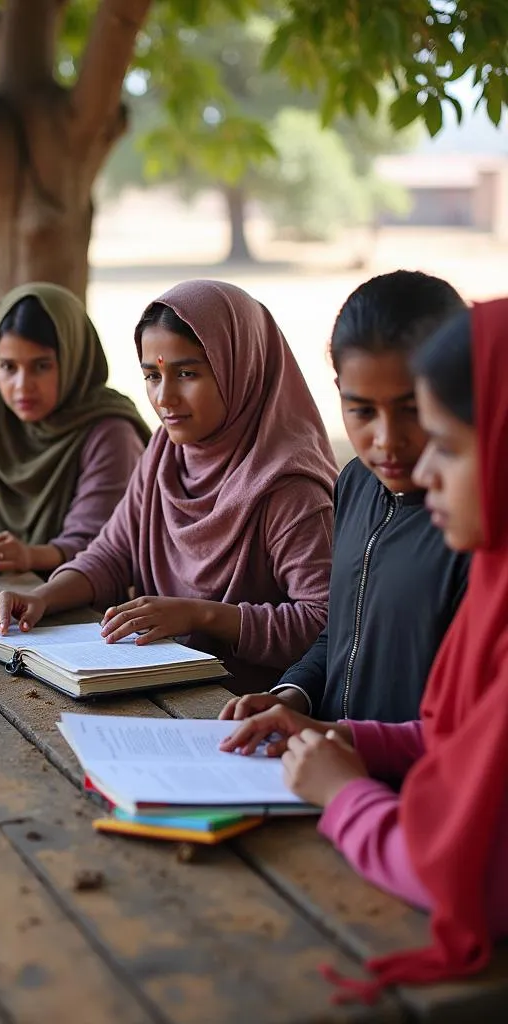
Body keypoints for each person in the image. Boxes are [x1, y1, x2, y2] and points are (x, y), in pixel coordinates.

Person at [221, 301, 508, 998]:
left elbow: (454, 868)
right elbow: (454, 736)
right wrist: (331, 729)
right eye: (362, 412)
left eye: (446, 439)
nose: (411, 458)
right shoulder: (360, 492)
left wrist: (344, 792)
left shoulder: (471, 555)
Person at [0, 280, 337, 693]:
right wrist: (44, 597)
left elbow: (325, 625)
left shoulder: (289, 486)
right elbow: (113, 553)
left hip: (246, 710)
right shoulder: (166, 453)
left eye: (187, 373)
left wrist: (201, 616)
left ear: (240, 367)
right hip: (158, 688)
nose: (165, 398)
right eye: (152, 375)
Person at [220, 271, 469, 725]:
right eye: (362, 410)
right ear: (339, 392)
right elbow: (343, 629)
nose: (386, 440)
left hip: (407, 783)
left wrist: (348, 744)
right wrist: (295, 694)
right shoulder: (354, 482)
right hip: (334, 771)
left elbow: (467, 723)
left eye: (411, 408)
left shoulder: (472, 522)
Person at [0, 283, 150, 573]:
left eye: (41, 366)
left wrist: (31, 556)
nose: (22, 386)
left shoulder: (109, 433)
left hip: (72, 600)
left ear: (73, 358)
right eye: (8, 367)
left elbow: (97, 544)